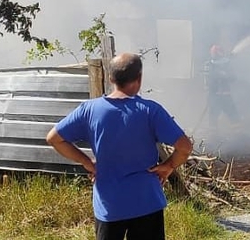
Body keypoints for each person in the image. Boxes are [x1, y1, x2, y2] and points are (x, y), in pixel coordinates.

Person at [46, 52, 193, 240]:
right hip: (146, 202)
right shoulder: (150, 110)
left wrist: (87, 162)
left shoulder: (89, 110)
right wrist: (168, 166)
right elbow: (184, 147)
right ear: (139, 78)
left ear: (110, 77)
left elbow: (53, 138)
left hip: (109, 206)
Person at [202, 45, 239, 130]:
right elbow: (207, 80)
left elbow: (233, 78)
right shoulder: (209, 64)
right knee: (213, 116)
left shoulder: (227, 64)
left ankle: (238, 134)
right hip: (214, 95)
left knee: (233, 115)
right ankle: (213, 135)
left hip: (225, 95)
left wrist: (226, 75)